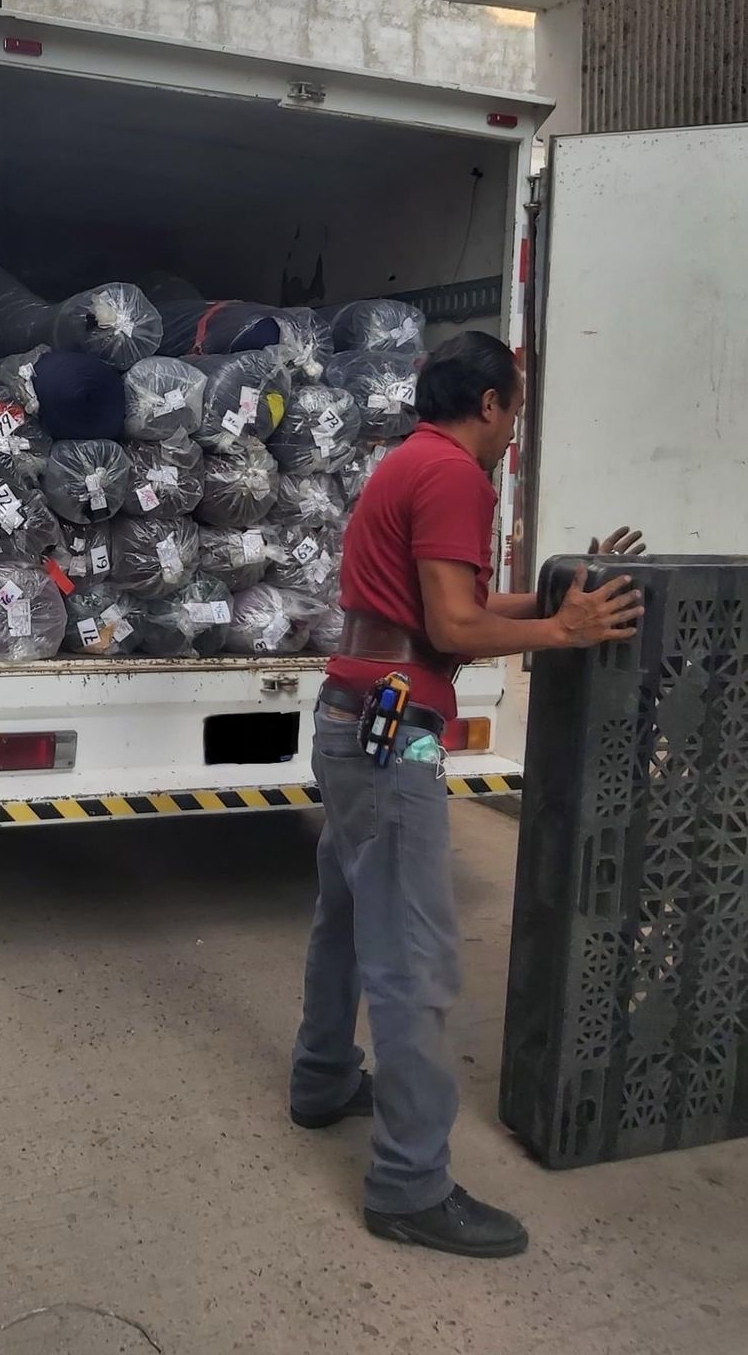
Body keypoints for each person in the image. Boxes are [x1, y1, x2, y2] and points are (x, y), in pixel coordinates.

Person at [288, 330, 644, 1259]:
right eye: (514, 409)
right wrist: (566, 634)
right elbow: (453, 626)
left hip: (351, 715)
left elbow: (445, 610)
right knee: (414, 958)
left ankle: (322, 1079)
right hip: (391, 737)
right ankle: (409, 1185)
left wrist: (561, 596)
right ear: (490, 403)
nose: (514, 428)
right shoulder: (455, 475)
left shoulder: (408, 462)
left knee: (345, 916)